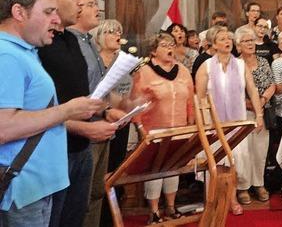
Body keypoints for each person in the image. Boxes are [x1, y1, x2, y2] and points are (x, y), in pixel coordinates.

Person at [0, 0, 103, 227]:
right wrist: (68, 110)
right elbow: (4, 128)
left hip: (37, 186)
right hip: (23, 189)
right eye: (48, 12)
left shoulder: (24, 51)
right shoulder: (7, 55)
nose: (56, 20)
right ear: (19, 12)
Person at [38, 0, 118, 227]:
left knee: (77, 216)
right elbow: (36, 108)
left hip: (81, 148)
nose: (80, 4)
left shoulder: (72, 40)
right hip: (53, 148)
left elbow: (82, 91)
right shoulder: (40, 43)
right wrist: (82, 126)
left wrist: (108, 109)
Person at [69, 0, 125, 227]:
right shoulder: (71, 43)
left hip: (101, 125)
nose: (97, 9)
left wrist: (107, 110)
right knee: (78, 198)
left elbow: (98, 86)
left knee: (96, 192)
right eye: (91, 4)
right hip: (83, 130)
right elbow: (75, 90)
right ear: (77, 8)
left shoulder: (87, 42)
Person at [194, 28, 263, 215]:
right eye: (222, 39)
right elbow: (199, 97)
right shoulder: (206, 66)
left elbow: (253, 90)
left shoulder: (241, 65)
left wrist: (259, 115)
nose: (227, 41)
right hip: (213, 124)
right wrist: (202, 125)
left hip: (237, 123)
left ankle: (231, 199)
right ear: (214, 44)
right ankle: (213, 200)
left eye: (229, 38)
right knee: (215, 164)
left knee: (234, 163)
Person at [132, 32, 195, 223]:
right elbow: (136, 103)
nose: (170, 48)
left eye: (172, 45)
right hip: (154, 130)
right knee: (155, 170)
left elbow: (190, 101)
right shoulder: (144, 72)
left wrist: (191, 125)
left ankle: (171, 206)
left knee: (173, 168)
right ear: (153, 51)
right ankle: (154, 211)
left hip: (179, 129)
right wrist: (141, 128)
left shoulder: (183, 70)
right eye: (165, 45)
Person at [91, 19, 131, 227]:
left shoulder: (122, 62)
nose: (117, 35)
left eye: (119, 31)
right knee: (96, 178)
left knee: (113, 171)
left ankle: (110, 217)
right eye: (112, 31)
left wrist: (132, 104)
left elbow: (123, 96)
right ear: (99, 36)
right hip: (95, 122)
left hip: (120, 123)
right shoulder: (92, 60)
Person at [235, 28, 275, 203]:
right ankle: (243, 187)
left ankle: (259, 184)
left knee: (260, 150)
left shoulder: (263, 61)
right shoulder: (234, 64)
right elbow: (231, 91)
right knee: (243, 152)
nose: (250, 44)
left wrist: (263, 100)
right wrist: (250, 103)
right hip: (241, 112)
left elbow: (272, 84)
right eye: (246, 41)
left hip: (262, 111)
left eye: (252, 40)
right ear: (238, 45)